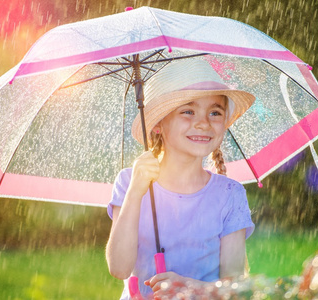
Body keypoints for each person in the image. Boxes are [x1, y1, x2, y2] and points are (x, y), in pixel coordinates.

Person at [105, 58, 256, 299]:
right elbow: (119, 267)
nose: (203, 123)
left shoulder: (230, 195)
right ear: (157, 124)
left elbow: (234, 288)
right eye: (188, 111)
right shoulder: (130, 182)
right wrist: (135, 192)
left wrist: (192, 289)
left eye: (214, 112)